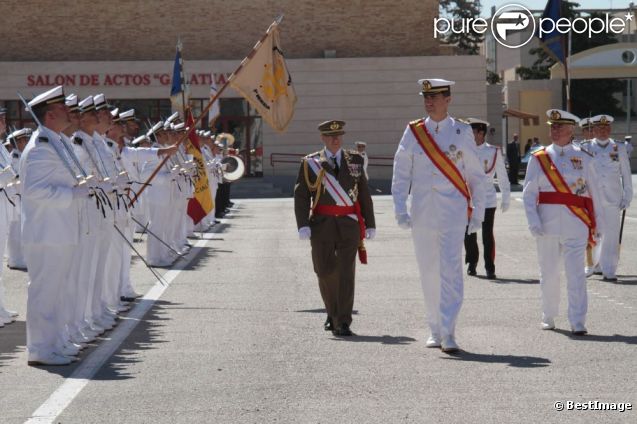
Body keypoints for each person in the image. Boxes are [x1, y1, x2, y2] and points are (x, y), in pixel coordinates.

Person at [392, 79, 486, 352]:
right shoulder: (413, 131)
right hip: (422, 212)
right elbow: (401, 173)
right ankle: (434, 327)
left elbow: (475, 176)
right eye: (426, 97)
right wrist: (400, 207)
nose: (429, 101)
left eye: (435, 97)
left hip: (453, 212)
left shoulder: (462, 131)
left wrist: (478, 212)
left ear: (448, 99)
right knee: (428, 272)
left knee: (451, 270)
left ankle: (449, 330)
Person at [522, 109, 602, 336]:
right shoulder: (539, 158)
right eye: (552, 126)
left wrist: (599, 226)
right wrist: (533, 221)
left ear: (571, 130)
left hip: (575, 222)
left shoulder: (585, 157)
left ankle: (578, 320)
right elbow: (529, 193)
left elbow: (595, 193)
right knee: (548, 272)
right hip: (546, 223)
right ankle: (548, 315)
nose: (554, 131)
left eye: (559, 127)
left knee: (576, 273)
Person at [294, 120, 375, 337]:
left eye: (339, 135)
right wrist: (302, 224)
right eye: (330, 136)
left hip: (348, 224)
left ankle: (343, 321)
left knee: (346, 273)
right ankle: (332, 312)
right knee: (324, 271)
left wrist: (370, 222)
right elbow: (302, 195)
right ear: (322, 138)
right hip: (322, 223)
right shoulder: (310, 163)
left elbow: (364, 192)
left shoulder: (355, 160)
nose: (335, 139)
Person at [585, 115, 632, 281]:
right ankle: (593, 265)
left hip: (613, 197)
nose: (602, 132)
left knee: (611, 234)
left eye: (606, 128)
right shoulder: (586, 147)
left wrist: (628, 196)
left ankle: (609, 268)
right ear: (594, 130)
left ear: (610, 130)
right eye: (599, 129)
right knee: (594, 232)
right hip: (592, 198)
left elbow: (626, 174)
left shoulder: (619, 147)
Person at [463, 118, 510, 279]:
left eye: (473, 132)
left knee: (487, 234)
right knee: (469, 233)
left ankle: (490, 267)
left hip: (488, 198)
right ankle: (472, 262)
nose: (470, 135)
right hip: (469, 198)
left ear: (481, 133)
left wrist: (506, 197)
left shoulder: (492, 151)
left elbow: (502, 176)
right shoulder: (465, 150)